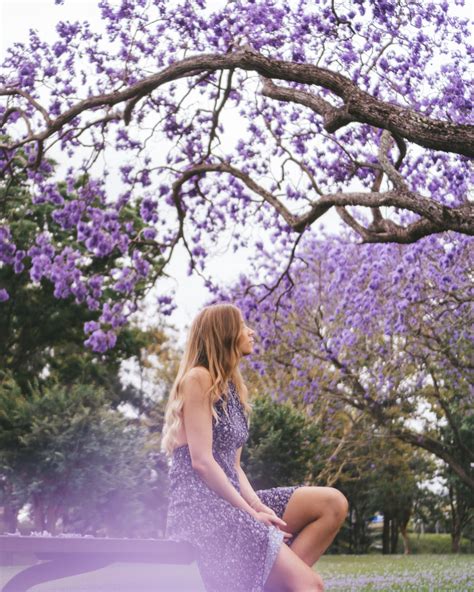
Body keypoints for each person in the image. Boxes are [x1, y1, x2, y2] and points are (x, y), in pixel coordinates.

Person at [161, 303, 348, 592]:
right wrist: (252, 516)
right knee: (311, 586)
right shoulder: (198, 379)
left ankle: (272, 584)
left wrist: (259, 508)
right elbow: (203, 462)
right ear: (224, 333)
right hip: (201, 511)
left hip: (232, 500)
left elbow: (234, 467)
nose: (251, 331)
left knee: (331, 503)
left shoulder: (233, 390)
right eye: (242, 325)